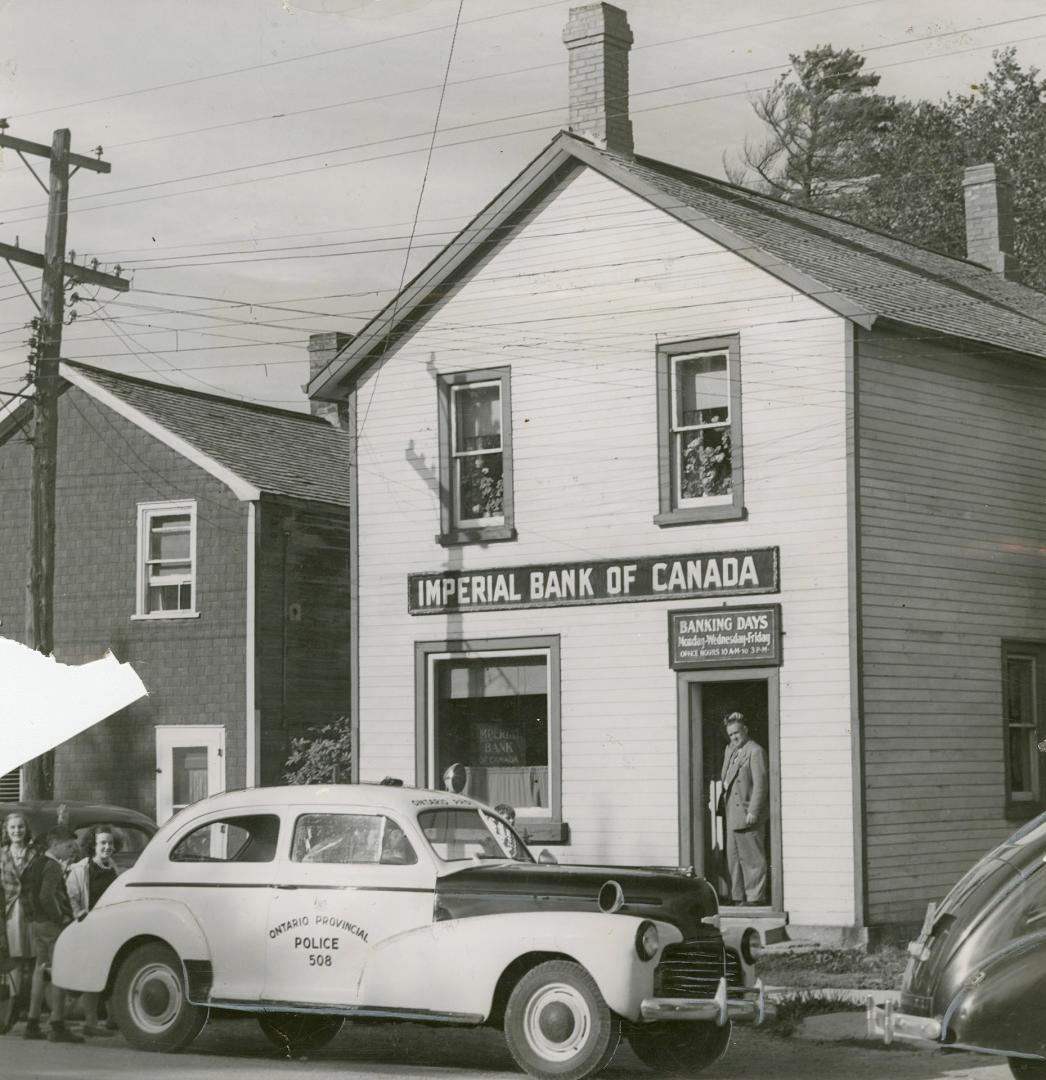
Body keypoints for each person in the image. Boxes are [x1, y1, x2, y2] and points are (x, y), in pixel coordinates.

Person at [22, 827, 83, 1043]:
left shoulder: (35, 862)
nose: (70, 851)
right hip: (52, 925)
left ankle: (32, 1022)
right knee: (59, 971)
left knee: (41, 969)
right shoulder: (53, 867)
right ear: (54, 845)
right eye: (67, 847)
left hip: (37, 923)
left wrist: (33, 917)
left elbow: (27, 893)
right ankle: (57, 1024)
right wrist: (60, 918)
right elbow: (46, 896)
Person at [65, 825, 120, 1036]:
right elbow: (72, 896)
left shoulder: (113, 868)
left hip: (110, 929)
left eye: (110, 843)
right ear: (93, 846)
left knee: (111, 973)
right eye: (102, 843)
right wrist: (81, 916)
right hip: (90, 929)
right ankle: (90, 1023)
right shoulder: (81, 869)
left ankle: (113, 1019)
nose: (107, 847)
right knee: (92, 975)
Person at [720, 713, 769, 907]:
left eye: (736, 733)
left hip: (748, 811)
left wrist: (754, 811)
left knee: (752, 859)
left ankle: (755, 897)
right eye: (730, 734)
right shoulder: (731, 751)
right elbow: (725, 777)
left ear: (745, 730)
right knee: (734, 858)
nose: (733, 737)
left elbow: (761, 785)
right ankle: (738, 897)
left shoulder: (755, 751)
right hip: (732, 812)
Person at [0, 812, 36, 1030]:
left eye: (20, 827)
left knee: (32, 961)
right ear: (6, 831)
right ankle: (12, 1006)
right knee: (14, 960)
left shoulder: (34, 853)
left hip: (32, 911)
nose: (17, 832)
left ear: (26, 829)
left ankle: (27, 1007)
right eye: (12, 828)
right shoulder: (1, 855)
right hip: (11, 912)